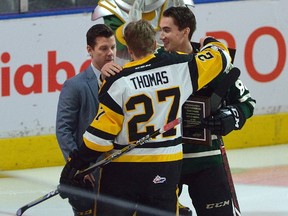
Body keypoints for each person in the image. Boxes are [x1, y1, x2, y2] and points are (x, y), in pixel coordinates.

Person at [58, 19, 233, 216]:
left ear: (129, 50)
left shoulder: (117, 82)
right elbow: (221, 58)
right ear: (154, 43)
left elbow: (99, 138)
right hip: (165, 167)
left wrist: (75, 164)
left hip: (122, 172)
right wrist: (210, 42)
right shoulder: (180, 68)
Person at [159, 6, 256, 216]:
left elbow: (246, 102)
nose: (161, 36)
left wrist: (230, 117)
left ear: (185, 31)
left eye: (167, 30)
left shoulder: (212, 64)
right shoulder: (155, 64)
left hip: (206, 160)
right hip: (165, 162)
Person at [55, 23, 121, 216]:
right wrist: (78, 166)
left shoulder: (125, 80)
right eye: (103, 48)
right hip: (90, 172)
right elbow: (64, 129)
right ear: (90, 51)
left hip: (122, 169)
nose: (110, 53)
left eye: (113, 47)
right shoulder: (74, 86)